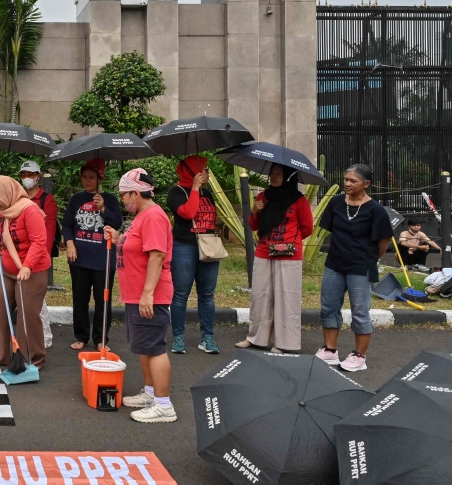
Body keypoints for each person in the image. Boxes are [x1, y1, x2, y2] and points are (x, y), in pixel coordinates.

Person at [108, 169, 176, 423]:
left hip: (150, 296)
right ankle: (150, 394)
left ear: (135, 193)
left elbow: (157, 255)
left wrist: (148, 294)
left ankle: (163, 405)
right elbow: (137, 247)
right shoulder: (142, 217)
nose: (123, 201)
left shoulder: (153, 217)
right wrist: (118, 240)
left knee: (154, 348)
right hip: (136, 294)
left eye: (124, 196)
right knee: (144, 346)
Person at [316, 164, 392, 372]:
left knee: (360, 311)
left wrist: (369, 258)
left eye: (353, 181)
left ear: (366, 184)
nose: (347, 183)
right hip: (335, 264)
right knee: (329, 306)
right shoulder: (336, 203)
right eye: (346, 179)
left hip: (361, 266)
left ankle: (359, 356)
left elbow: (383, 240)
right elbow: (332, 229)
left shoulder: (375, 210)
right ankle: (330, 350)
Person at [0, 176, 51, 369]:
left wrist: (27, 266)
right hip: (6, 269)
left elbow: (39, 242)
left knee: (27, 314)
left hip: (32, 271)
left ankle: (32, 359)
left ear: (7, 194)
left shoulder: (30, 211)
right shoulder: (2, 210)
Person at [236, 164, 314, 353]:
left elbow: (307, 228)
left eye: (279, 174)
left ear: (288, 177)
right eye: (272, 173)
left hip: (289, 255)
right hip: (264, 251)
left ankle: (284, 343)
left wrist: (290, 241)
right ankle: (256, 338)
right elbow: (254, 226)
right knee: (260, 296)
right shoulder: (263, 197)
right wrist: (254, 210)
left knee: (286, 298)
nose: (274, 177)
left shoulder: (298, 200)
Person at [61, 158, 123, 351]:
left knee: (102, 299)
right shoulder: (76, 199)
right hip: (79, 259)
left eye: (91, 177)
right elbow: (67, 225)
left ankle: (100, 338)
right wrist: (70, 244)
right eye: (84, 177)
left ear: (100, 179)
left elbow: (117, 223)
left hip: (102, 259)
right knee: (80, 299)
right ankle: (81, 336)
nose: (87, 181)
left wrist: (103, 208)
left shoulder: (110, 199)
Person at [167, 155, 221, 355]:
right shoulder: (176, 192)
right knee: (181, 294)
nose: (207, 172)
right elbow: (188, 214)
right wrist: (195, 189)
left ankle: (207, 337)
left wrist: (199, 190)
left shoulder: (208, 193)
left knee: (207, 294)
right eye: (204, 169)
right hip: (184, 247)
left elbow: (211, 218)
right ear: (192, 172)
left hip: (207, 246)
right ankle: (178, 337)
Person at [19, 160, 57, 349]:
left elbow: (49, 231)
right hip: (20, 255)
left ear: (38, 177)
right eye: (23, 175)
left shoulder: (46, 200)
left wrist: (42, 255)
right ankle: (25, 335)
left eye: (30, 175)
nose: (27, 178)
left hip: (38, 256)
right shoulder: (19, 198)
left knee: (37, 299)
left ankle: (45, 337)